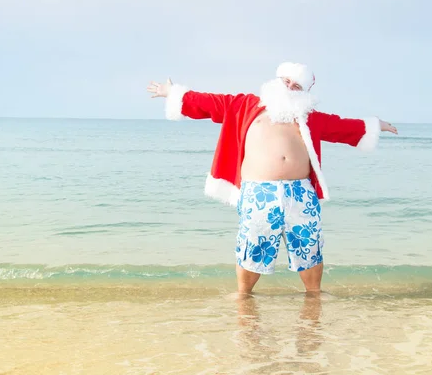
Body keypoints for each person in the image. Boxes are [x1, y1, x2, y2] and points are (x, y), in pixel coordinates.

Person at [147, 62, 398, 295]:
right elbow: (209, 102)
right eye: (286, 80)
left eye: (296, 85)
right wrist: (173, 92)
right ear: (276, 80)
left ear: (304, 92)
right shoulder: (243, 106)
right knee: (252, 246)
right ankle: (244, 298)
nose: (289, 87)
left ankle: (313, 297)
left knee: (309, 248)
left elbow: (344, 127)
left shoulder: (310, 118)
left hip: (300, 194)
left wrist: (376, 124)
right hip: (259, 192)